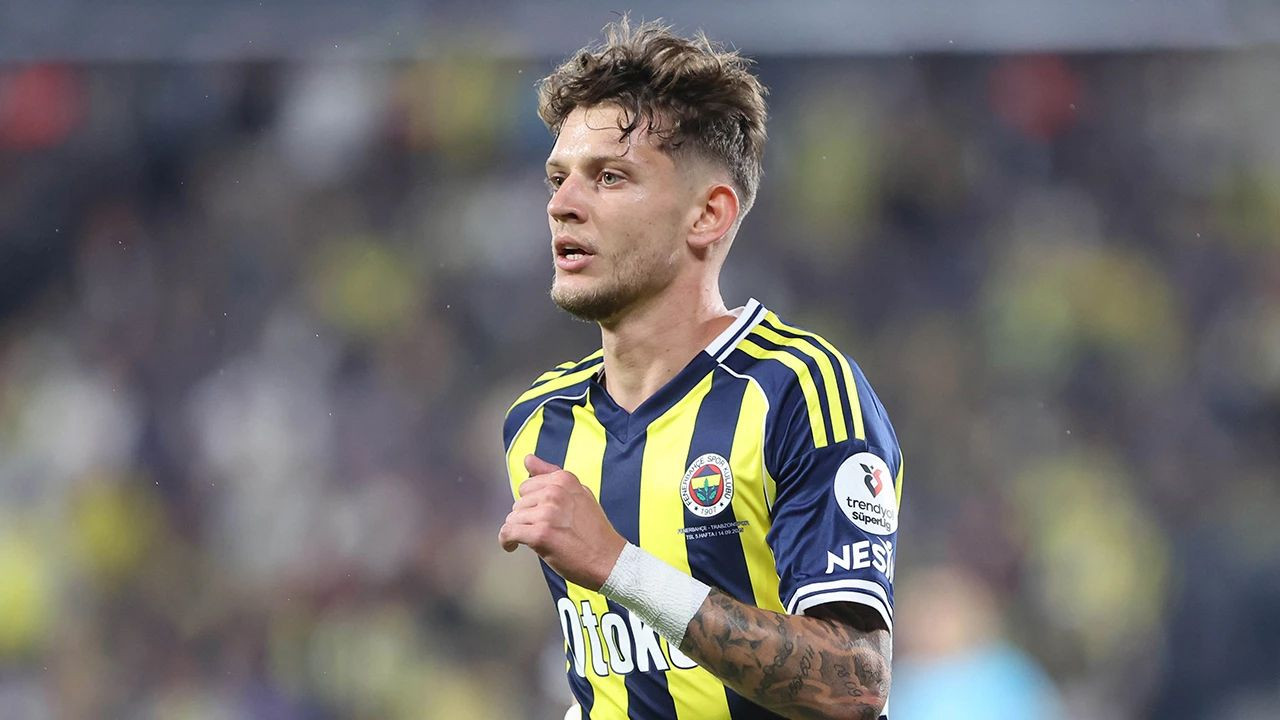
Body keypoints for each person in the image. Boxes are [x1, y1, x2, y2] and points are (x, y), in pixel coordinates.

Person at [498, 18, 902, 720]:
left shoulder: (796, 389)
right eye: (558, 179)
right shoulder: (540, 423)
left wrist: (619, 565)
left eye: (610, 177)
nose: (562, 205)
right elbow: (621, 682)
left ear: (708, 215)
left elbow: (854, 685)